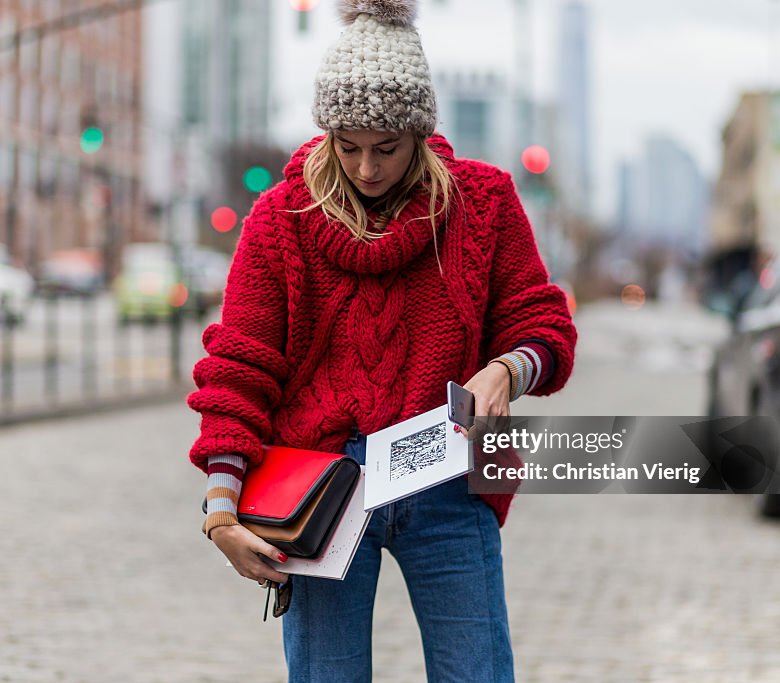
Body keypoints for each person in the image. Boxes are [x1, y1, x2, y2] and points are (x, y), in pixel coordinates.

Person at [187, 1, 577, 681]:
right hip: (320, 491)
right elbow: (238, 367)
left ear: (421, 133)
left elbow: (543, 323)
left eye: (387, 148)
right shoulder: (282, 218)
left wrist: (509, 369)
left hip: (449, 477)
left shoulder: (483, 204)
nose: (366, 168)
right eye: (348, 144)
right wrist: (222, 507)